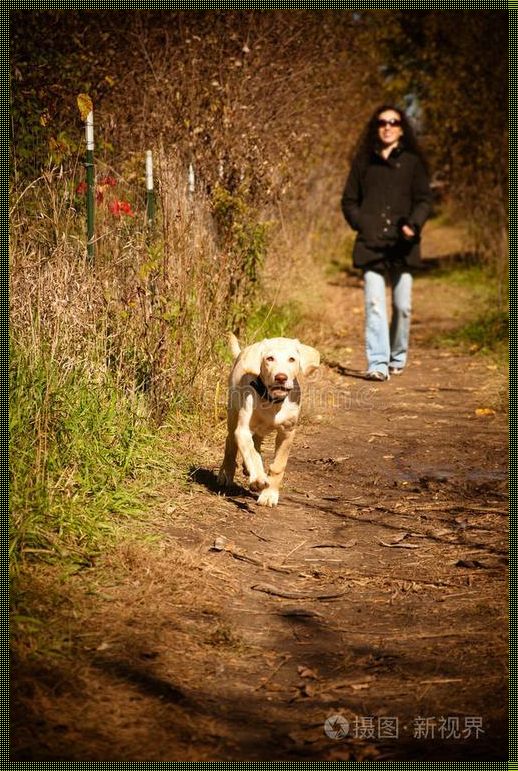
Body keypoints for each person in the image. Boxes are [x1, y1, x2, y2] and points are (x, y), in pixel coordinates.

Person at [341, 104, 433, 381]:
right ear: (376, 127)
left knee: (403, 307)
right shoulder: (363, 163)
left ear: (402, 128)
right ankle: (378, 363)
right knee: (374, 305)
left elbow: (424, 201)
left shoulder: (413, 163)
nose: (388, 126)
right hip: (370, 245)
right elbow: (349, 202)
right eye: (382, 122)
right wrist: (363, 223)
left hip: (403, 246)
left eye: (394, 122)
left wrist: (413, 225)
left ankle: (397, 356)